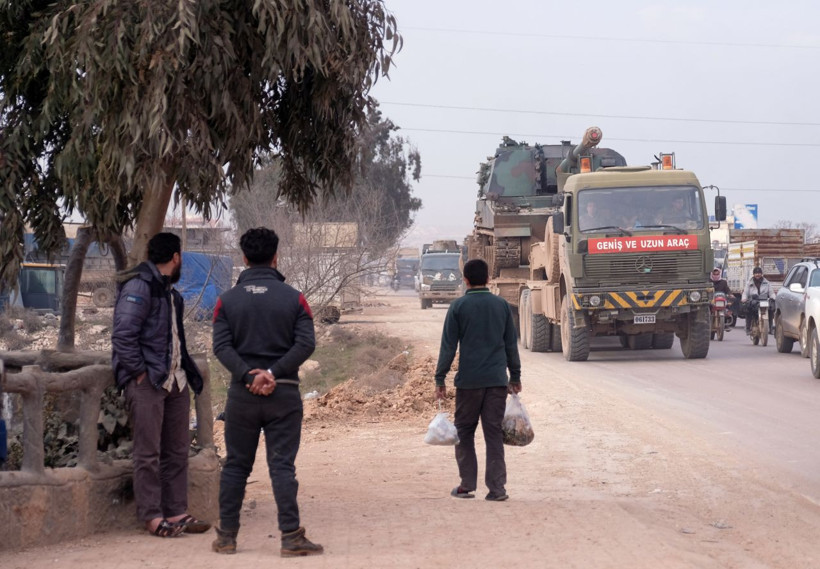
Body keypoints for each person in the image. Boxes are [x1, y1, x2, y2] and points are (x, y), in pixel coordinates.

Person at [211, 227, 322, 557]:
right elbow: (306, 343)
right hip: (284, 395)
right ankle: (291, 537)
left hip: (241, 398)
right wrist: (272, 372)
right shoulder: (294, 298)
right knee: (282, 467)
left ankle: (226, 537)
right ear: (276, 257)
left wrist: (248, 375)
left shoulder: (226, 301)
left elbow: (221, 346)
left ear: (243, 258)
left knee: (235, 467)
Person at [111, 232, 209, 538]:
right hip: (149, 383)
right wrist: (140, 374)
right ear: (176, 257)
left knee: (177, 450)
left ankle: (177, 511)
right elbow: (123, 335)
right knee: (148, 453)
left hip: (175, 382)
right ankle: (152, 516)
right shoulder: (140, 286)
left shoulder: (169, 292)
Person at [434, 258, 522, 502]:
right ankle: (497, 489)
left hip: (469, 383)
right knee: (493, 434)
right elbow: (510, 346)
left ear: (465, 279)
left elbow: (448, 347)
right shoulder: (502, 306)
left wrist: (439, 379)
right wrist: (515, 375)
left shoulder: (458, 307)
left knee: (464, 433)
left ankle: (466, 485)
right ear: (488, 279)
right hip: (496, 382)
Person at [741, 266, 772, 335]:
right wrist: (744, 299)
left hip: (764, 301)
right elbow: (745, 292)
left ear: (761, 274)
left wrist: (773, 298)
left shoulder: (767, 283)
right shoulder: (749, 283)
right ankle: (748, 328)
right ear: (753, 274)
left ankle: (771, 328)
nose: (757, 274)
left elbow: (771, 293)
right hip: (753, 302)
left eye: (759, 273)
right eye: (756, 273)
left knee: (771, 310)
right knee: (748, 310)